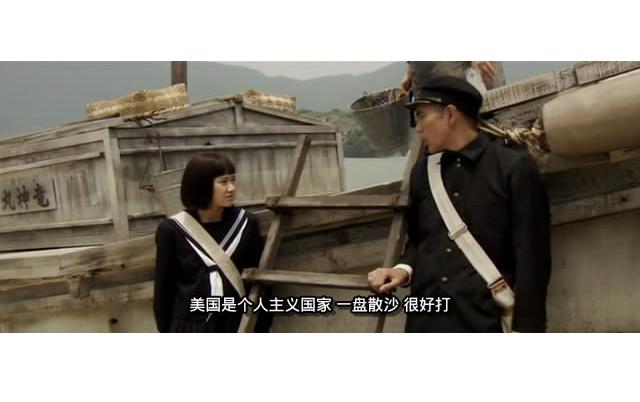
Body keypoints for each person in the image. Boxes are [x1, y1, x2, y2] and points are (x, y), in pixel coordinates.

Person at [367, 75, 551, 332]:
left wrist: (527, 329)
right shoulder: (422, 172)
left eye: (422, 115)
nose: (418, 129)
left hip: (485, 322)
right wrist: (402, 269)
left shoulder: (513, 169)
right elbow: (419, 239)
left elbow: (533, 259)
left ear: (450, 115)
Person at [153, 152, 269, 332]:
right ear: (201, 185)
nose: (231, 188)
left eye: (233, 180)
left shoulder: (246, 223)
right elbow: (164, 290)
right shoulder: (172, 229)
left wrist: (261, 326)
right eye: (223, 182)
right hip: (190, 327)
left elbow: (260, 281)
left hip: (237, 323)